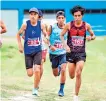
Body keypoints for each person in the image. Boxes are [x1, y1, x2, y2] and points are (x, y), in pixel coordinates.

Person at [60, 5, 96, 101]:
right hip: (71, 53)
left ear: (82, 15)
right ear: (73, 16)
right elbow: (61, 35)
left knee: (78, 72)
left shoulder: (86, 25)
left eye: (78, 16)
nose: (77, 18)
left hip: (81, 53)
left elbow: (93, 35)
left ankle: (76, 96)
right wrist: (65, 45)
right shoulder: (68, 25)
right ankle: (73, 76)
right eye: (75, 16)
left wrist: (91, 38)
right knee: (71, 76)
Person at [16, 7, 47, 96]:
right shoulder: (25, 25)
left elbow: (45, 33)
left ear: (38, 16)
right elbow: (18, 34)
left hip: (38, 50)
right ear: (29, 15)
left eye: (35, 14)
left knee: (37, 69)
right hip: (28, 52)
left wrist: (46, 37)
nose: (33, 16)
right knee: (30, 73)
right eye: (31, 14)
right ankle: (35, 81)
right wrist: (20, 45)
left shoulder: (41, 25)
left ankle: (35, 88)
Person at [48, 11, 67, 97]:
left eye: (62, 18)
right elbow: (46, 38)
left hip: (63, 53)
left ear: (64, 19)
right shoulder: (52, 27)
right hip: (53, 53)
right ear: (56, 19)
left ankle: (61, 90)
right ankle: (58, 68)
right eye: (59, 18)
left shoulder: (67, 28)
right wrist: (50, 46)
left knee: (64, 69)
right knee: (55, 74)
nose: (61, 20)